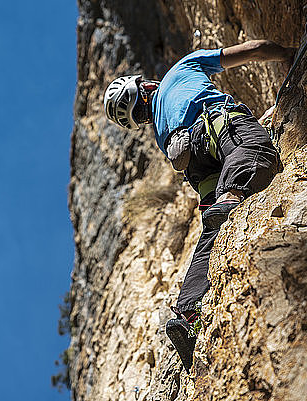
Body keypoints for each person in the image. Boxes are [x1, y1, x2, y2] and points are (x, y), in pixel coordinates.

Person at [103, 40, 296, 371]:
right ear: (145, 84)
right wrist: (288, 53)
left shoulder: (160, 128)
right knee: (254, 150)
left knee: (211, 228)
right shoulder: (181, 68)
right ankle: (233, 196)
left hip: (193, 163)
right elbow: (253, 50)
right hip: (213, 125)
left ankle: (189, 310)